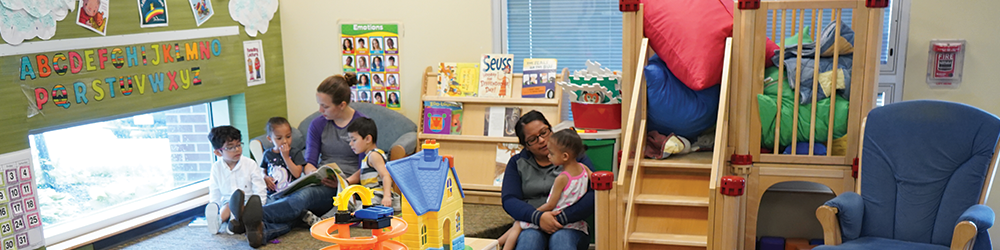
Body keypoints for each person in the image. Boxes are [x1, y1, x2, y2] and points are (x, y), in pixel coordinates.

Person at [501, 110, 595, 250]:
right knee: (529, 240)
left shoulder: (573, 157)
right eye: (532, 139)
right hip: (531, 224)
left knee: (561, 240)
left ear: (551, 129)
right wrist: (537, 217)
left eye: (544, 132)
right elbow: (509, 199)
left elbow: (595, 192)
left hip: (570, 224)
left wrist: (559, 219)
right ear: (526, 145)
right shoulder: (517, 163)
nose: (541, 140)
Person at [205, 126, 267, 243]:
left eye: (238, 145)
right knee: (227, 205)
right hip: (227, 202)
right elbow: (215, 190)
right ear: (218, 152)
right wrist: (214, 204)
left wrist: (261, 205)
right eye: (230, 147)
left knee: (243, 208)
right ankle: (218, 221)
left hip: (248, 203)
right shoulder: (216, 168)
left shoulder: (250, 164)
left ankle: (233, 225)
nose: (237, 150)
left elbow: (259, 187)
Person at [305, 73, 369, 182]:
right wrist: (313, 174)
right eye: (319, 105)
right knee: (296, 196)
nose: (320, 110)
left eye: (325, 106)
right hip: (322, 181)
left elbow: (365, 167)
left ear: (342, 105)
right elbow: (309, 163)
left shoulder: (363, 125)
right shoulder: (317, 124)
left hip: (349, 183)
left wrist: (344, 183)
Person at [346, 117, 401, 211]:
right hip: (370, 196)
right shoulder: (367, 158)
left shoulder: (374, 155)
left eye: (354, 140)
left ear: (368, 139)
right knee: (347, 206)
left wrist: (387, 196)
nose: (350, 144)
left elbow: (386, 175)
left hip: (378, 196)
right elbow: (354, 177)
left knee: (359, 211)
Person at [259, 117, 304, 195]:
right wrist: (265, 177)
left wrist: (286, 157)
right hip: (272, 194)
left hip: (291, 193)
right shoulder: (267, 154)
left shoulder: (295, 152)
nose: (285, 141)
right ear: (270, 139)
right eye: (279, 138)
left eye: (288, 136)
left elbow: (297, 174)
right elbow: (263, 171)